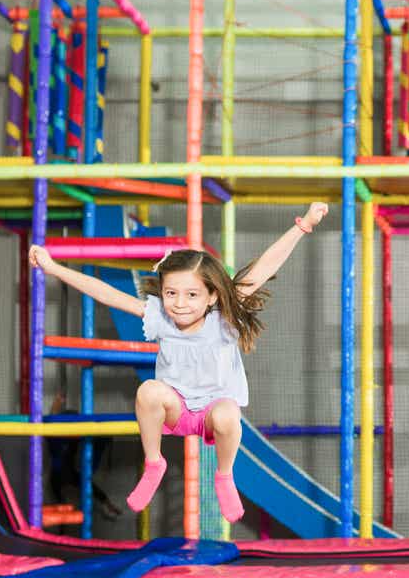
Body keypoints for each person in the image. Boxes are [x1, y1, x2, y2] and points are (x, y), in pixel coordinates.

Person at [29, 202, 329, 523]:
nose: (179, 304)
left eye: (191, 295)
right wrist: (54, 267)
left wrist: (304, 225)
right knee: (149, 390)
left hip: (213, 414)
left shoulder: (223, 317)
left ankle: (224, 475)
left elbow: (264, 266)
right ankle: (154, 463)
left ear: (212, 296)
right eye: (171, 293)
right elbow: (105, 293)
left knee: (230, 413)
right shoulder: (160, 316)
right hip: (177, 409)